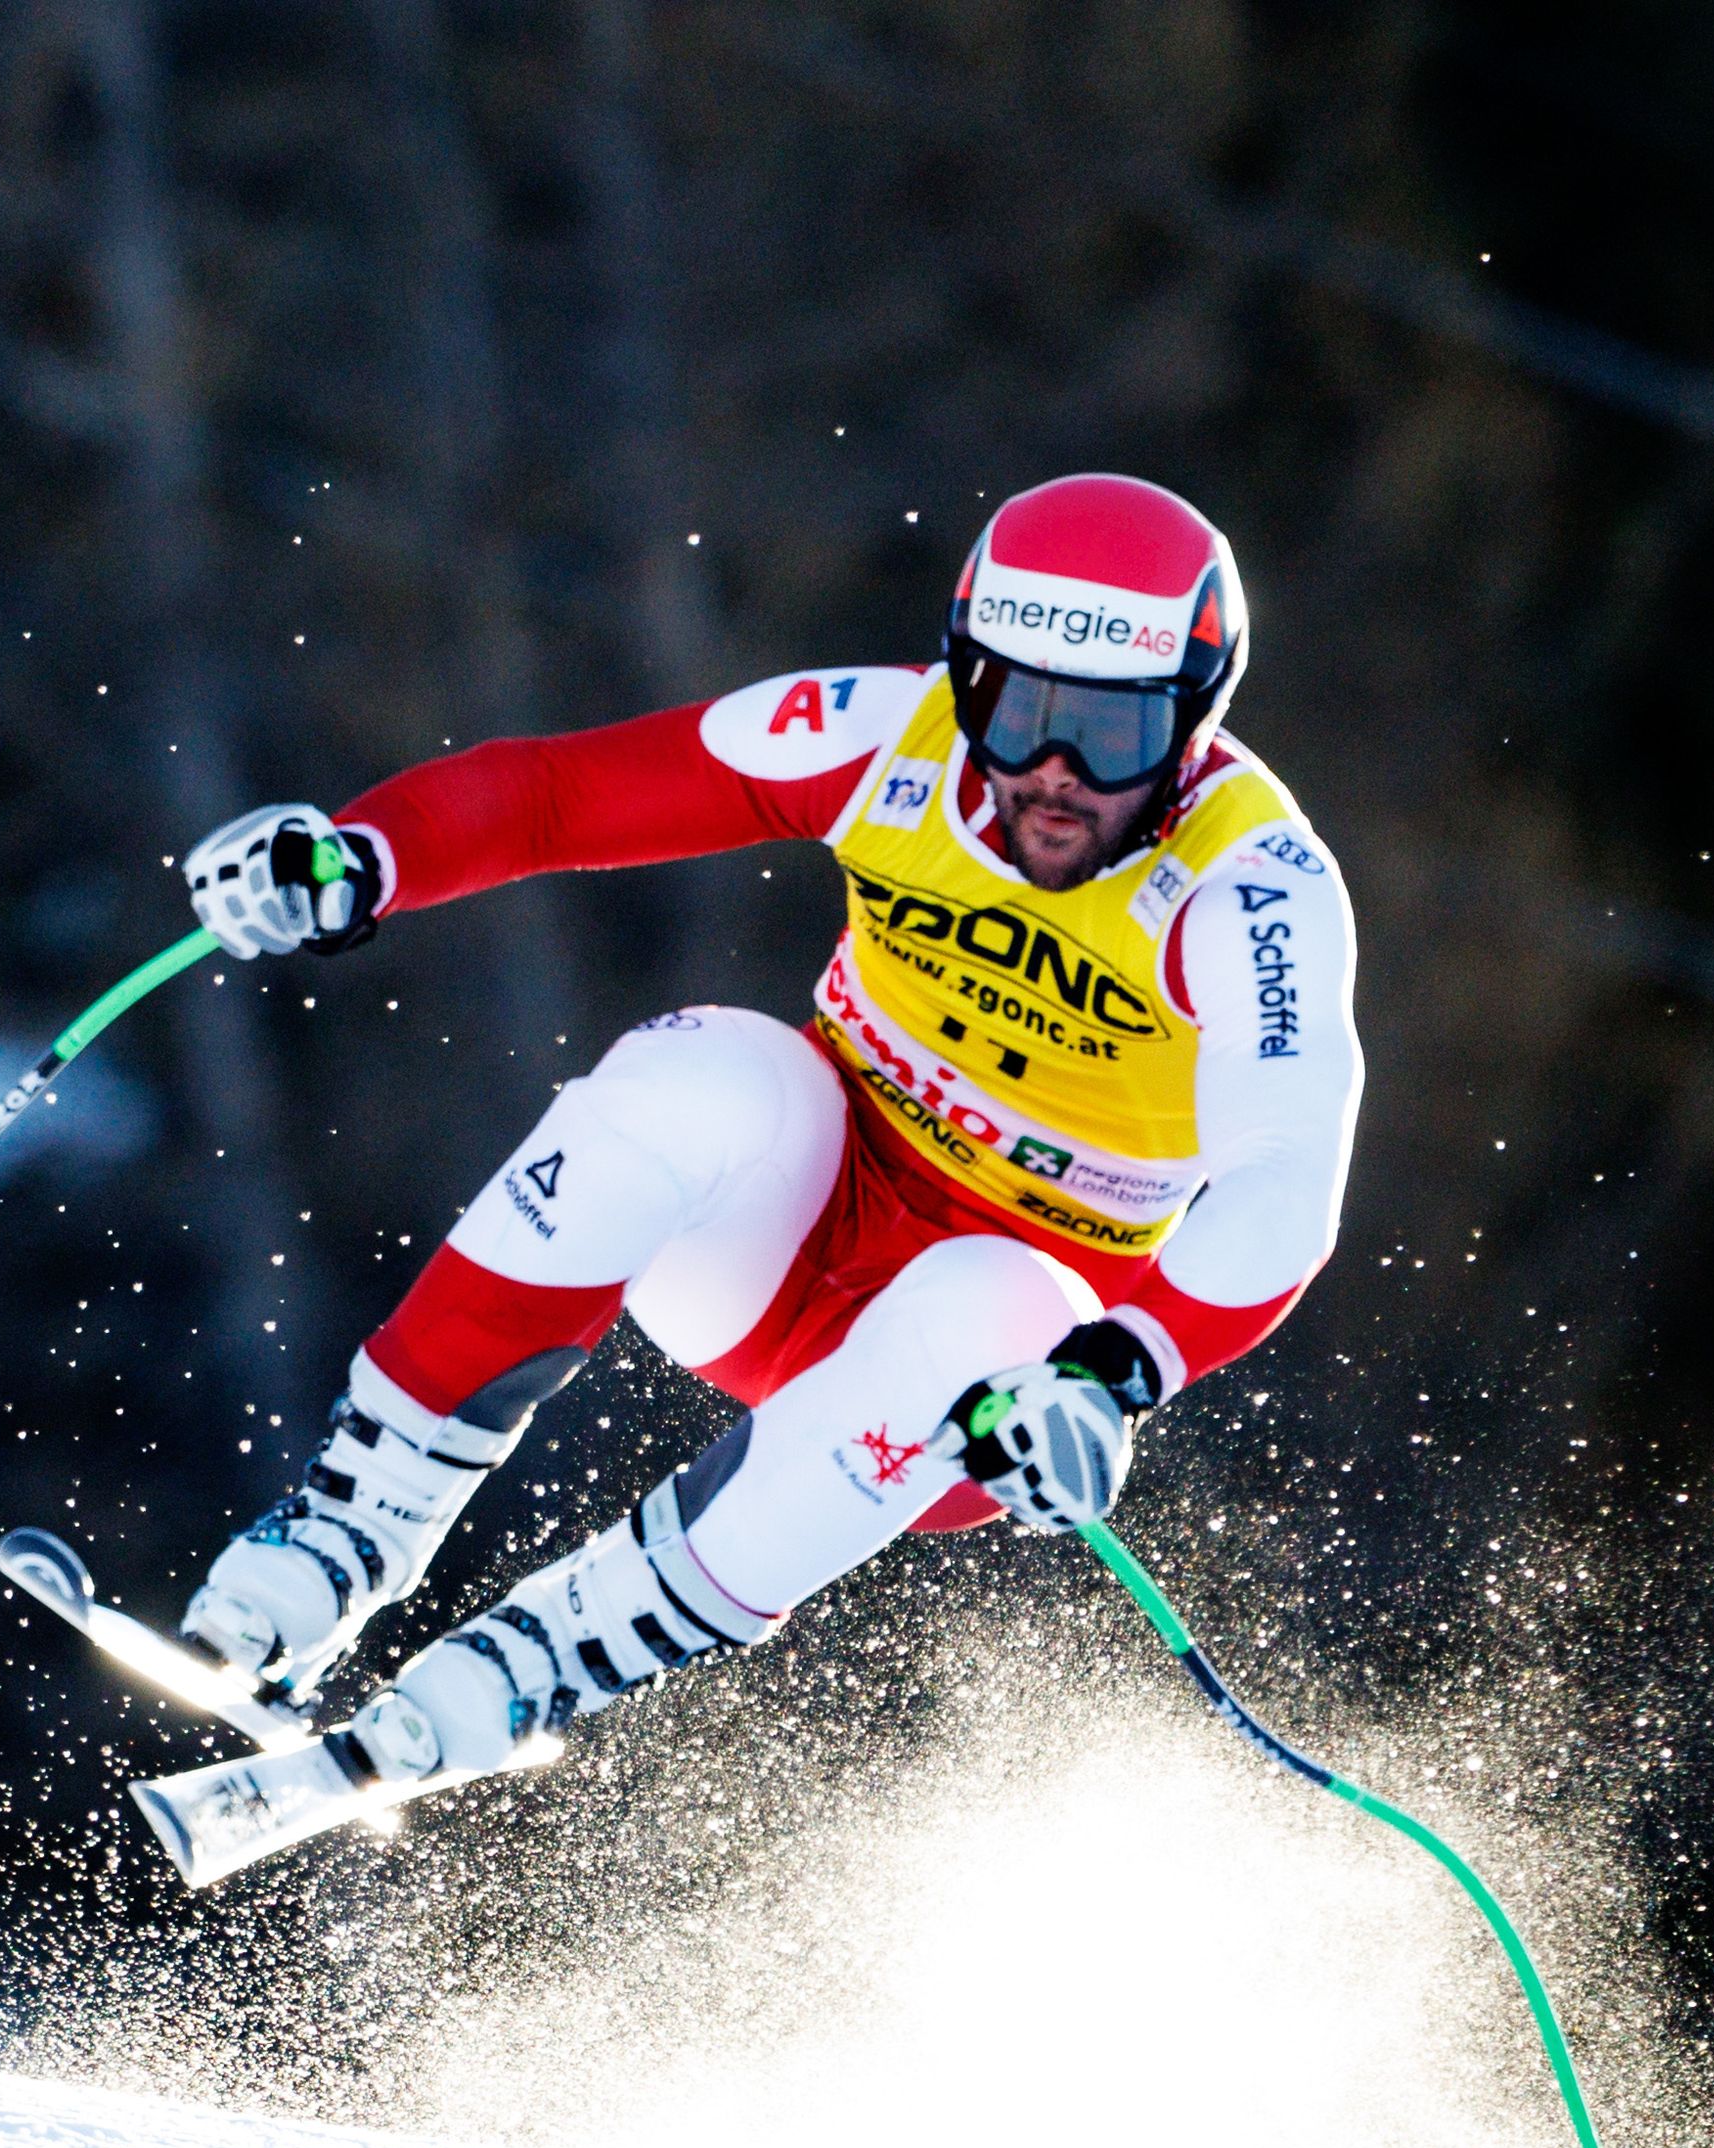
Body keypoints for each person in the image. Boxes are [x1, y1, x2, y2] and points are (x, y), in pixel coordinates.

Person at [167, 472, 1362, 1787]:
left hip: (976, 1388)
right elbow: (565, 796)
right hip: (788, 1244)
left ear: (1194, 724)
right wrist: (356, 858)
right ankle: (353, 1524)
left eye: (1114, 738)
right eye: (1016, 714)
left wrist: (1114, 1372)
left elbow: (1288, 1183)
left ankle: (529, 1666)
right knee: (707, 1068)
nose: (1052, 775)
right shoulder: (885, 737)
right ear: (964, 676)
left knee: (992, 1291)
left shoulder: (1252, 892)